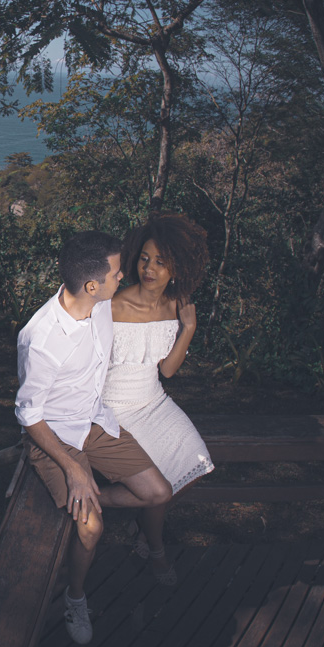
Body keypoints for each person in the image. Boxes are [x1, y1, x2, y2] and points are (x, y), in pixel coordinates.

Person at [15, 230, 173, 645]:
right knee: (90, 529)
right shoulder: (41, 340)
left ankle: (89, 504)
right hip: (54, 435)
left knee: (158, 493)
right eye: (117, 274)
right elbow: (28, 416)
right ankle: (75, 597)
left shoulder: (99, 305)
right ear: (92, 285)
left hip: (96, 422)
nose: (123, 278)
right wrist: (73, 470)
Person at [104, 214, 213, 586]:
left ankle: (144, 525)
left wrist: (189, 328)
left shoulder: (176, 304)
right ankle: (155, 548)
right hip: (115, 408)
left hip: (153, 400)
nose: (149, 268)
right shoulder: (112, 306)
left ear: (177, 268)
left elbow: (167, 370)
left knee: (198, 461)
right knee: (159, 487)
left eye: (161, 262)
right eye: (145, 258)